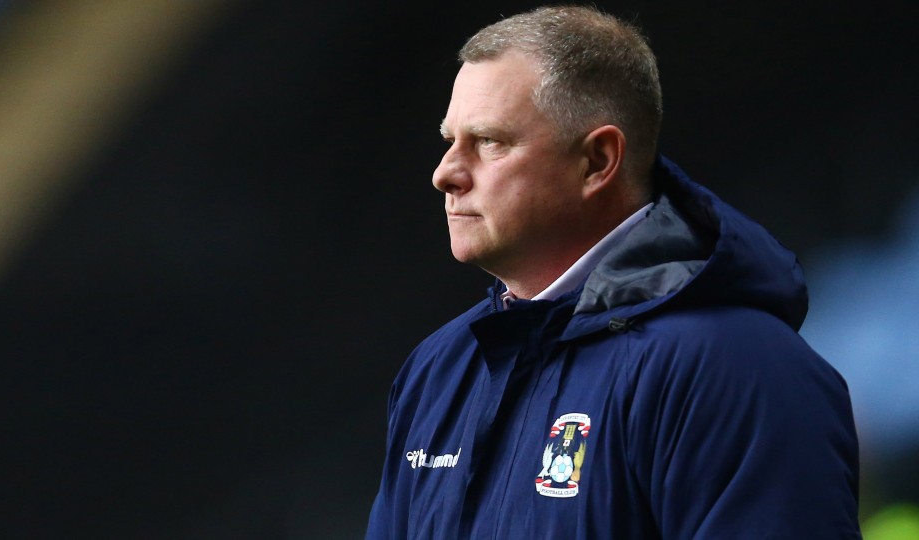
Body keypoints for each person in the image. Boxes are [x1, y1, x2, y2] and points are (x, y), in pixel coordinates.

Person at [366, 6, 861, 539]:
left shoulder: (740, 369)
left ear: (598, 161)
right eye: (450, 141)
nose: (446, 174)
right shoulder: (438, 368)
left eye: (490, 142)